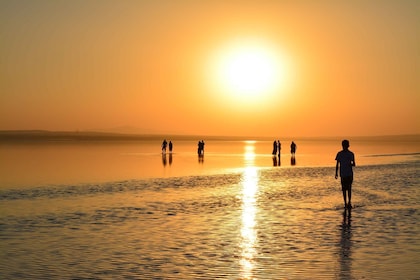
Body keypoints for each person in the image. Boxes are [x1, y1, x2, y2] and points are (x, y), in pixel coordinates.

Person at [335, 140, 356, 209]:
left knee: (345, 189)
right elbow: (354, 164)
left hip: (345, 174)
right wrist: (336, 173)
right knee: (347, 188)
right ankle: (348, 202)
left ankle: (347, 203)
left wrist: (336, 173)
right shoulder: (350, 154)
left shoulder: (340, 154)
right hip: (347, 174)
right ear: (348, 145)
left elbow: (337, 164)